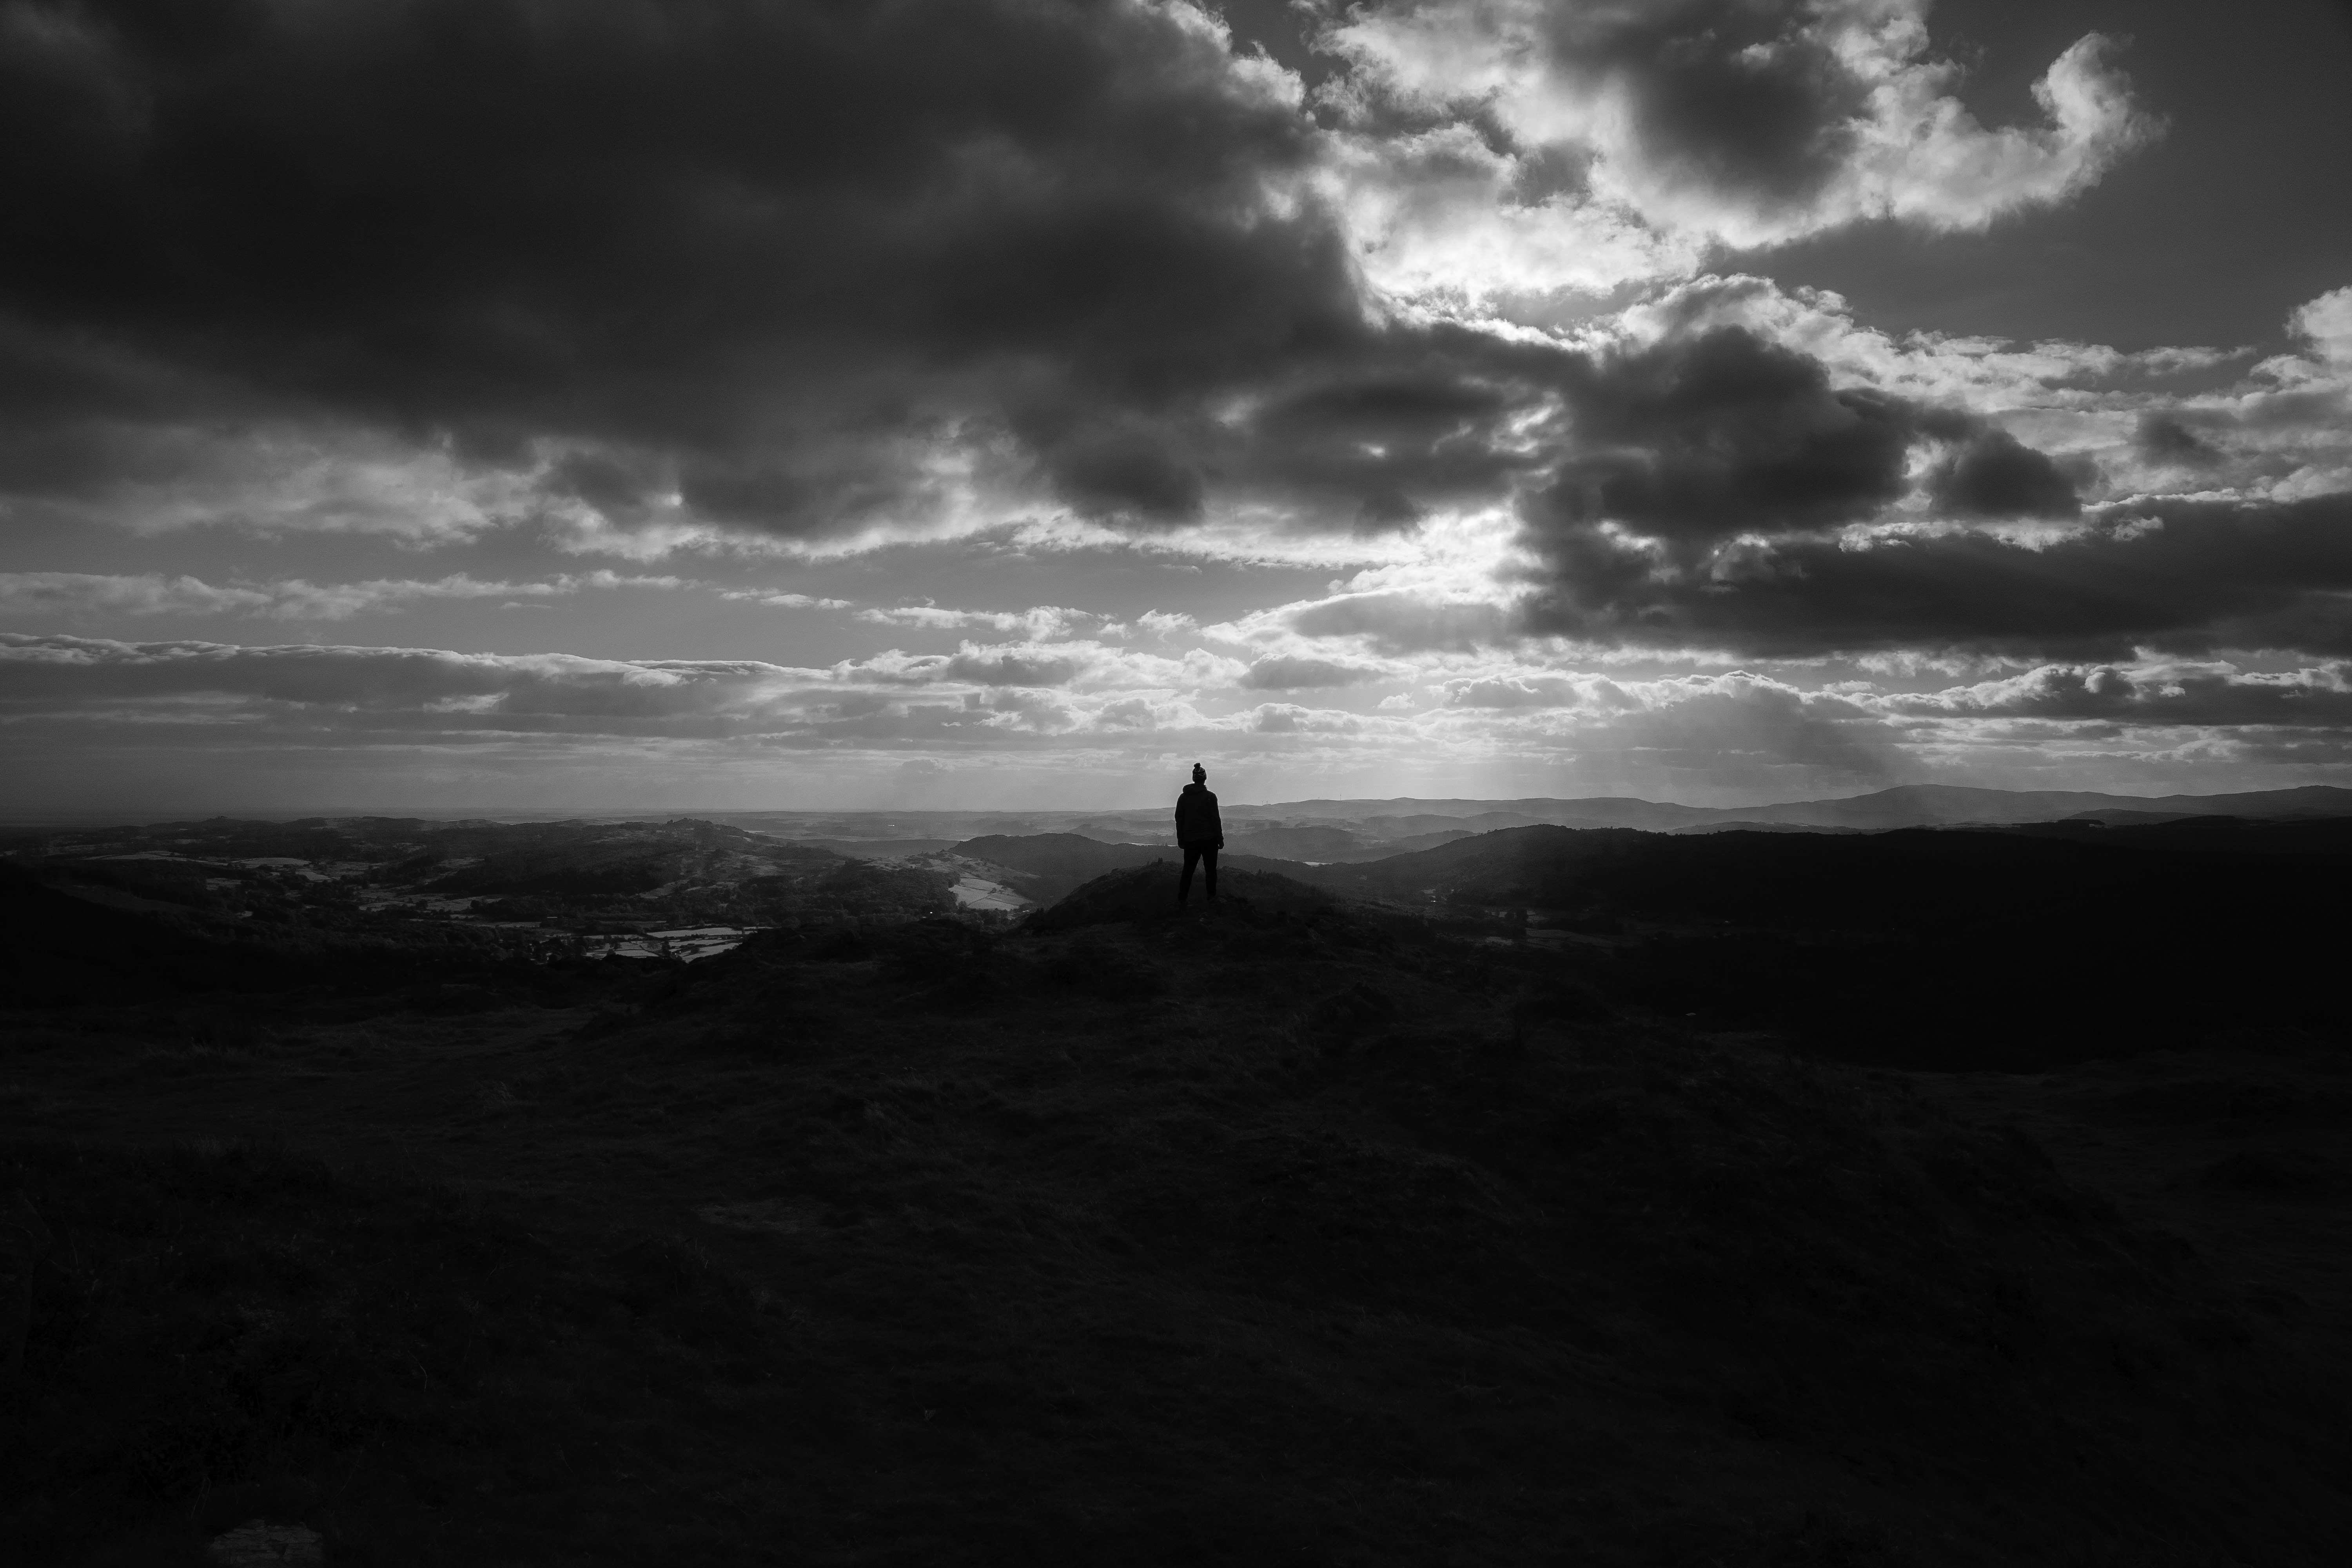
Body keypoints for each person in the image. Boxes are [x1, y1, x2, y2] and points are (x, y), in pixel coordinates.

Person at [1174, 762, 1223, 905]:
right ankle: (1212, 898)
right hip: (1210, 840)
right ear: (1205, 779)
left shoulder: (1183, 798)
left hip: (1190, 841)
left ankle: (1182, 899)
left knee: (1188, 871)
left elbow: (1179, 819)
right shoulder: (1211, 797)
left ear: (1194, 779)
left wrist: (1181, 839)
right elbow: (1216, 819)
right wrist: (1220, 839)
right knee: (1211, 871)